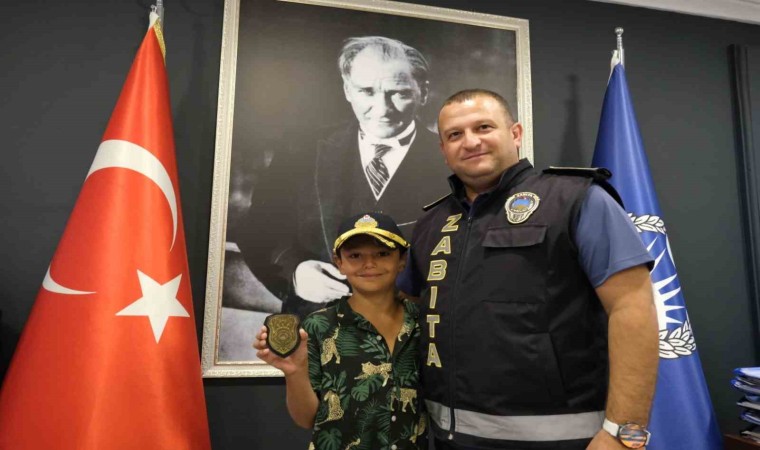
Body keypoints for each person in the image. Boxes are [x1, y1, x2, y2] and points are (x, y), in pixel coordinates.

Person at [398, 89, 659, 450]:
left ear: (516, 133)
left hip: (566, 441)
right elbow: (409, 312)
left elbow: (633, 308)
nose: (470, 141)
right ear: (444, 150)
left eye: (483, 127)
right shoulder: (431, 223)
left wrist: (623, 433)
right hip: (450, 440)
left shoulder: (576, 199)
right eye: (455, 134)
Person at [236, 36, 451, 319]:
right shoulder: (301, 151)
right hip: (316, 331)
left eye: (398, 93)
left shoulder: (455, 165)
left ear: (422, 92)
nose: (382, 109)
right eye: (366, 91)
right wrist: (296, 273)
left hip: (417, 335)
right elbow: (260, 229)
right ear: (347, 90)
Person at [253, 212, 426, 449]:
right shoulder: (318, 326)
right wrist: (295, 372)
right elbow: (305, 419)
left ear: (402, 260)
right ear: (339, 262)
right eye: (355, 255)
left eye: (382, 253)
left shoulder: (424, 322)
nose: (369, 264)